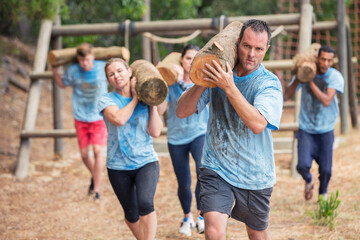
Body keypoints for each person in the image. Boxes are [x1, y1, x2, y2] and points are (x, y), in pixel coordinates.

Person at [176, 19, 283, 240]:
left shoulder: (268, 83)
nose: (251, 54)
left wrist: (229, 86)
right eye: (246, 46)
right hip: (216, 167)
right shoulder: (219, 72)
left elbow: (257, 124)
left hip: (255, 174)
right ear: (237, 43)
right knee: (214, 232)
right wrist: (202, 78)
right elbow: (181, 112)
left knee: (257, 234)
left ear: (267, 50)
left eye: (258, 49)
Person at [98, 58, 163, 240]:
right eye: (111, 74)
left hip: (146, 162)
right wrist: (135, 98)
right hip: (118, 166)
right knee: (131, 214)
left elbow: (156, 131)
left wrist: (151, 104)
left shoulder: (145, 100)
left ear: (129, 72)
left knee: (145, 204)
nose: (116, 76)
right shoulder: (106, 100)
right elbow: (119, 119)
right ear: (108, 80)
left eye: (119, 71)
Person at [157, 44, 209, 236]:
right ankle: (187, 217)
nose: (191, 62)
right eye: (188, 58)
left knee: (202, 173)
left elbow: (192, 95)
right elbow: (160, 110)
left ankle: (201, 216)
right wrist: (159, 82)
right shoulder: (171, 83)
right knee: (184, 182)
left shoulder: (203, 81)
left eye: (195, 58)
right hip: (176, 137)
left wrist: (180, 82)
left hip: (199, 133)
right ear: (181, 61)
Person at [284, 45, 344, 201]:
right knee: (301, 166)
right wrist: (299, 77)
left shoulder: (334, 77)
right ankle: (309, 180)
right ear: (317, 58)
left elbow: (326, 100)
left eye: (329, 60)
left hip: (326, 129)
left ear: (333, 61)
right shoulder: (306, 70)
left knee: (326, 170)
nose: (325, 63)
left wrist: (309, 81)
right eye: (323, 59)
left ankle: (323, 196)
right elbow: (286, 96)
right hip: (306, 128)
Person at [52, 42, 108, 200]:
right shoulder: (73, 71)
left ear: (93, 57)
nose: (85, 63)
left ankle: (96, 190)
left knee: (97, 151)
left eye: (88, 60)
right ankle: (95, 176)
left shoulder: (103, 68)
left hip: (98, 116)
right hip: (81, 116)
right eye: (82, 61)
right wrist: (55, 71)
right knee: (84, 155)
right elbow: (62, 84)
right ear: (78, 60)